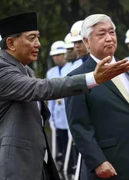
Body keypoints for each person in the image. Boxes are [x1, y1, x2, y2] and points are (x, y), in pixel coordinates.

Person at [0, 12, 129, 180]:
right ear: (11, 43)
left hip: (34, 163)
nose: (38, 44)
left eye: (38, 37)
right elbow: (42, 88)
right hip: (11, 164)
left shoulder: (26, 70)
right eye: (32, 38)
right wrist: (92, 78)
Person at [65, 14, 129, 180]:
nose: (109, 38)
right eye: (101, 34)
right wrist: (97, 162)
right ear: (87, 42)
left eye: (112, 32)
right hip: (111, 167)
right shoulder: (78, 78)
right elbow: (79, 127)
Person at [47, 41, 70, 169]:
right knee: (60, 143)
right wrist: (51, 117)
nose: (56, 57)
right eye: (54, 55)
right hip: (57, 114)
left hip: (68, 113)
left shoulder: (71, 68)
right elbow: (50, 97)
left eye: (59, 54)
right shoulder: (51, 73)